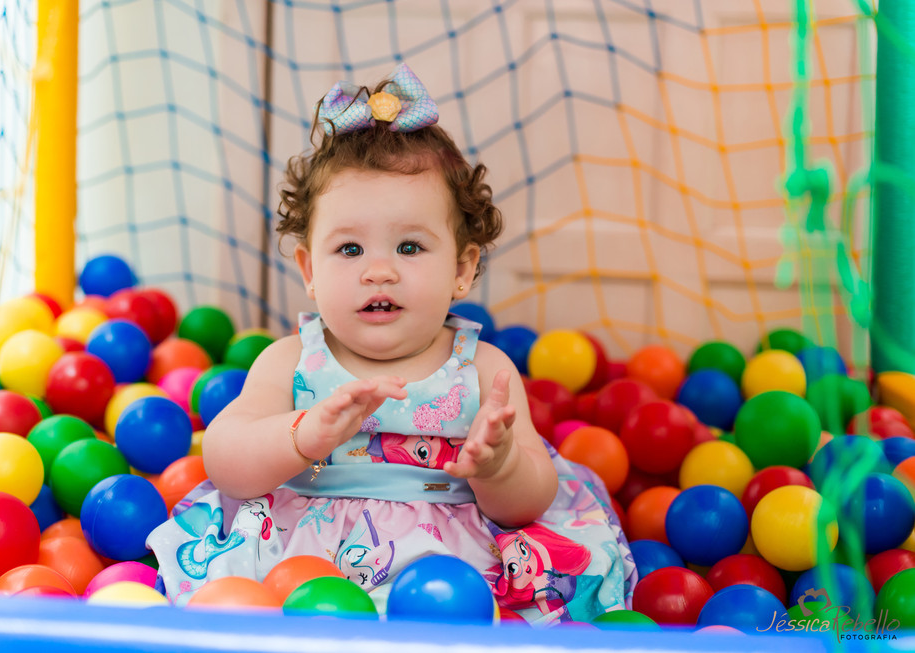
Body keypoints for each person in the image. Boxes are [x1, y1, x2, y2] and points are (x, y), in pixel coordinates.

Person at [146, 63, 636, 625]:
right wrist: (301, 435)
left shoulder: (482, 368)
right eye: (350, 250)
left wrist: (498, 467)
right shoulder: (291, 360)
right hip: (306, 557)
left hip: (454, 561)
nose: (378, 270)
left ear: (462, 268)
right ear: (309, 269)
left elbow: (528, 503)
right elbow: (226, 460)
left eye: (409, 247)